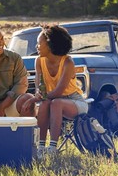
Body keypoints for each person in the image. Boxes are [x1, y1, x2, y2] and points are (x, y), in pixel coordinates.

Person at [22, 24, 88, 159]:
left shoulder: (67, 62)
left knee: (55, 103)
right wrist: (38, 96)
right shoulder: (39, 61)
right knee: (46, 103)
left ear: (49, 44)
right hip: (52, 100)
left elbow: (58, 92)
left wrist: (34, 99)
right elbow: (40, 89)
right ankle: (40, 147)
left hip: (74, 101)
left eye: (39, 43)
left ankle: (52, 148)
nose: (37, 47)